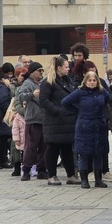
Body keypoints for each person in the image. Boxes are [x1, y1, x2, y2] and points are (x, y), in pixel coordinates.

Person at [62, 71, 111, 188]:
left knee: (98, 153)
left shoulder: (101, 91)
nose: (92, 82)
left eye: (94, 80)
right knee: (83, 153)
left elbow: (109, 99)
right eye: (90, 80)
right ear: (86, 81)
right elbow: (65, 102)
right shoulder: (80, 92)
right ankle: (84, 180)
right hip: (84, 126)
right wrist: (77, 112)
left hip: (99, 125)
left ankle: (98, 179)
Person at [39, 57, 78, 186]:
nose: (69, 69)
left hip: (67, 121)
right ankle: (52, 175)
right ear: (59, 68)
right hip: (54, 121)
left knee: (67, 148)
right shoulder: (48, 82)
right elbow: (44, 100)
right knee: (53, 148)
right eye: (66, 67)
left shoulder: (68, 81)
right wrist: (57, 111)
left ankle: (71, 175)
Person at [18, 62, 47, 181]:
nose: (41, 73)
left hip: (43, 120)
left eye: (42, 70)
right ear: (32, 72)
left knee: (44, 147)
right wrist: (32, 94)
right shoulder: (28, 83)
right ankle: (26, 170)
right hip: (33, 120)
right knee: (31, 147)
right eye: (39, 70)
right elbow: (20, 96)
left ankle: (41, 169)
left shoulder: (42, 83)